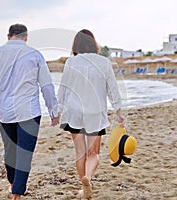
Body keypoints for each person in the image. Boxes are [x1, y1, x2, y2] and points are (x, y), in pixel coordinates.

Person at [0, 23, 59, 200]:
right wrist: (53, 110)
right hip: (29, 112)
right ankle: (17, 192)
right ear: (26, 37)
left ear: (8, 36)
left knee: (10, 150)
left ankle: (14, 185)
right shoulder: (35, 54)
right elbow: (46, 85)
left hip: (4, 113)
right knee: (24, 153)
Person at [58, 29, 125, 199]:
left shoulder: (71, 63)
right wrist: (118, 111)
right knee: (93, 154)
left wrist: (57, 111)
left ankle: (83, 185)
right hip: (95, 112)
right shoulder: (104, 62)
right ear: (93, 43)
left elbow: (63, 90)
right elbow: (112, 89)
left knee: (80, 152)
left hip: (74, 112)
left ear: (76, 45)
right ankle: (88, 177)